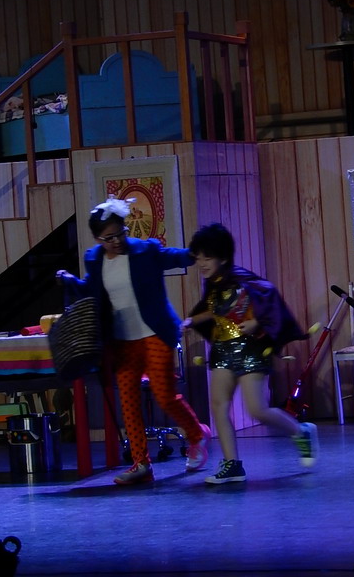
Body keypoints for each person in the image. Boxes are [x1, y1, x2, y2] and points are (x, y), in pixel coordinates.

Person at [56, 195, 211, 485]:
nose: (116, 241)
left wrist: (199, 249)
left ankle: (196, 434)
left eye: (120, 233)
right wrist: (70, 281)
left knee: (164, 396)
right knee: (127, 400)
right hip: (122, 340)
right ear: (97, 239)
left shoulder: (146, 250)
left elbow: (176, 257)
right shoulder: (94, 259)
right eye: (108, 238)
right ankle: (141, 463)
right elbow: (92, 290)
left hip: (155, 333)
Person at [182, 223, 319, 485]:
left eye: (207, 258)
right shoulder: (212, 284)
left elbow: (270, 301)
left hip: (251, 349)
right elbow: (215, 310)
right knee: (219, 405)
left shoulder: (243, 279)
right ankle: (232, 465)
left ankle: (300, 431)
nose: (201, 263)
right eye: (198, 258)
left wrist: (257, 322)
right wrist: (190, 321)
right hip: (222, 350)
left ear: (223, 257)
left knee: (257, 409)